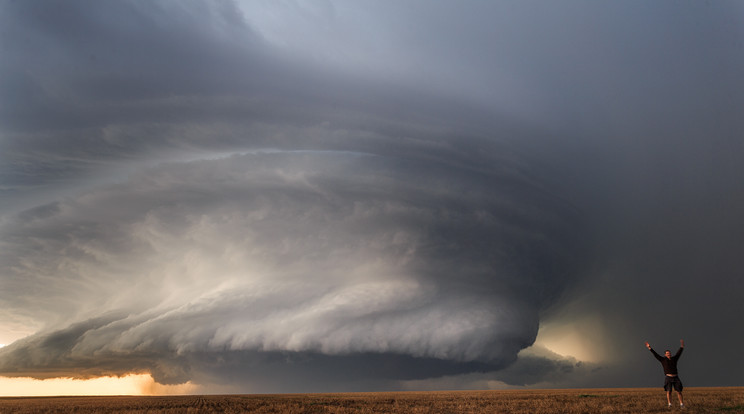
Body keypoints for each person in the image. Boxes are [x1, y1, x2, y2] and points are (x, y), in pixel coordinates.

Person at [645, 339, 685, 409]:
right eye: (667, 353)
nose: (668, 354)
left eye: (669, 353)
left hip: (676, 377)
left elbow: (679, 353)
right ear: (665, 355)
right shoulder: (663, 360)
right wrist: (649, 348)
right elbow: (656, 355)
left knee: (679, 391)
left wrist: (681, 346)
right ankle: (670, 404)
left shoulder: (674, 359)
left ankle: (681, 404)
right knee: (668, 391)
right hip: (668, 377)